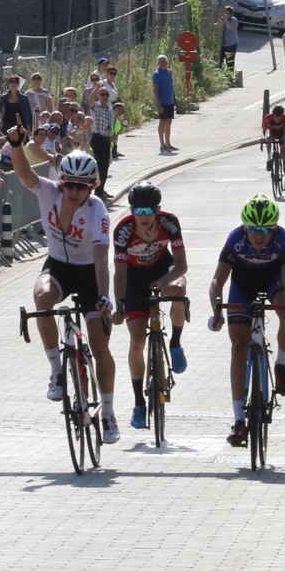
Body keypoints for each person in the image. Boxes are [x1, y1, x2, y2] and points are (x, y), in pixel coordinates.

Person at [7, 129, 120, 444]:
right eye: (68, 184)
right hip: (57, 266)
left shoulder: (97, 210)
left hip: (88, 274)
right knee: (42, 297)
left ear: (92, 186)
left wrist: (104, 297)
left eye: (80, 186)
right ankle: (57, 369)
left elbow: (100, 257)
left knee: (99, 347)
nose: (72, 191)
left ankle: (108, 411)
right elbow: (24, 173)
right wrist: (16, 145)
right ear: (61, 181)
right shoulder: (49, 193)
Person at [208, 195, 285, 447]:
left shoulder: (283, 240)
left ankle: (281, 365)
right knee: (239, 346)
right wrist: (216, 309)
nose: (259, 236)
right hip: (243, 284)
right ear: (245, 227)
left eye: (265, 230)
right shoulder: (235, 238)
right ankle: (239, 420)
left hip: (274, 281)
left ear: (274, 228)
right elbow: (218, 279)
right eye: (253, 230)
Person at [112, 181, 188, 430]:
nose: (143, 218)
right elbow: (120, 273)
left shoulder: (169, 223)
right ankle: (138, 403)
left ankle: (175, 343)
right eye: (138, 211)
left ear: (158, 210)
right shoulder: (123, 230)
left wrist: (163, 281)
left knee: (178, 290)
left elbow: (181, 265)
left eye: (149, 212)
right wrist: (120, 303)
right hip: (133, 277)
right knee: (136, 342)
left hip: (162, 269)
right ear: (131, 211)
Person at [87, 85, 115, 200]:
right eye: (102, 94)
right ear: (98, 95)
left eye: (106, 94)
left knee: (105, 167)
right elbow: (90, 100)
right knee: (100, 166)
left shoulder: (109, 109)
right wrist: (96, 87)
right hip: (97, 138)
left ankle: (101, 189)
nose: (104, 96)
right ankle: (98, 192)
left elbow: (110, 125)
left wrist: (112, 134)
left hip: (106, 139)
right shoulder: (96, 107)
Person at [262, 105, 285, 190]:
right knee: (267, 138)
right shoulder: (268, 117)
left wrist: (284, 139)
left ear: (282, 115)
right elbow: (264, 131)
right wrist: (264, 138)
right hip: (272, 132)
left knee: (283, 155)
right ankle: (269, 158)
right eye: (276, 116)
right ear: (273, 114)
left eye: (280, 116)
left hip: (281, 133)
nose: (278, 118)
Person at [153, 55, 177, 153]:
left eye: (164, 61)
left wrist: (175, 99)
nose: (163, 63)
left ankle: (168, 143)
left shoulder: (170, 72)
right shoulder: (157, 74)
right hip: (162, 102)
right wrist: (159, 104)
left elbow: (172, 87)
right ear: (158, 63)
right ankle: (162, 144)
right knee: (162, 122)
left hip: (170, 101)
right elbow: (155, 90)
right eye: (161, 61)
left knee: (169, 122)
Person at [219, 6, 239, 70]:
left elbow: (230, 27)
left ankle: (230, 75)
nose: (223, 13)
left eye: (225, 11)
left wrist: (225, 20)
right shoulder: (222, 19)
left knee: (230, 62)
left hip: (231, 44)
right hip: (223, 44)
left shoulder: (234, 20)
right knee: (220, 61)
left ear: (229, 12)